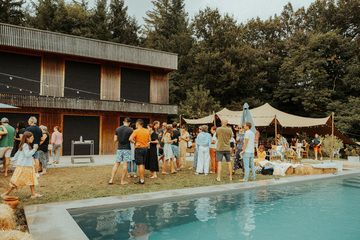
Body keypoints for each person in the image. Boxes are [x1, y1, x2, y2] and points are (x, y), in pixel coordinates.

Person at [1, 131, 42, 199]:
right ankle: (5, 193)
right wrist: (34, 150)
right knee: (16, 181)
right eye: (31, 138)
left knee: (32, 180)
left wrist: (12, 162)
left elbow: (17, 154)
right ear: (27, 138)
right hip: (25, 166)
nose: (33, 139)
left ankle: (33, 194)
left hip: (26, 166)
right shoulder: (25, 145)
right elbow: (27, 154)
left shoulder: (23, 145)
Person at [109, 118, 133, 185]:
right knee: (125, 164)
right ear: (129, 123)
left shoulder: (118, 129)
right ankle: (122, 181)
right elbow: (131, 139)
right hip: (127, 149)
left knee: (116, 164)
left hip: (119, 148)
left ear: (123, 122)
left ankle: (111, 179)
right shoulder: (130, 130)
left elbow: (115, 139)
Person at [129, 119, 150, 185]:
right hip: (145, 148)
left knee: (140, 164)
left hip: (139, 148)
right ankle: (142, 178)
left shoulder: (136, 131)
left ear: (137, 124)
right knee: (143, 164)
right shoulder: (147, 131)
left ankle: (141, 180)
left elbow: (130, 139)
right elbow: (149, 140)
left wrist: (135, 142)